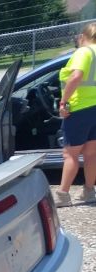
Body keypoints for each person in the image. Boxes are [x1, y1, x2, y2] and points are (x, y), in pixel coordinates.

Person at [57, 23, 96, 207]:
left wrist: (63, 101)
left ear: (83, 36)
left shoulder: (84, 52)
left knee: (70, 155)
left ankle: (63, 195)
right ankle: (89, 192)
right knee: (91, 154)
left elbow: (76, 76)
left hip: (80, 109)